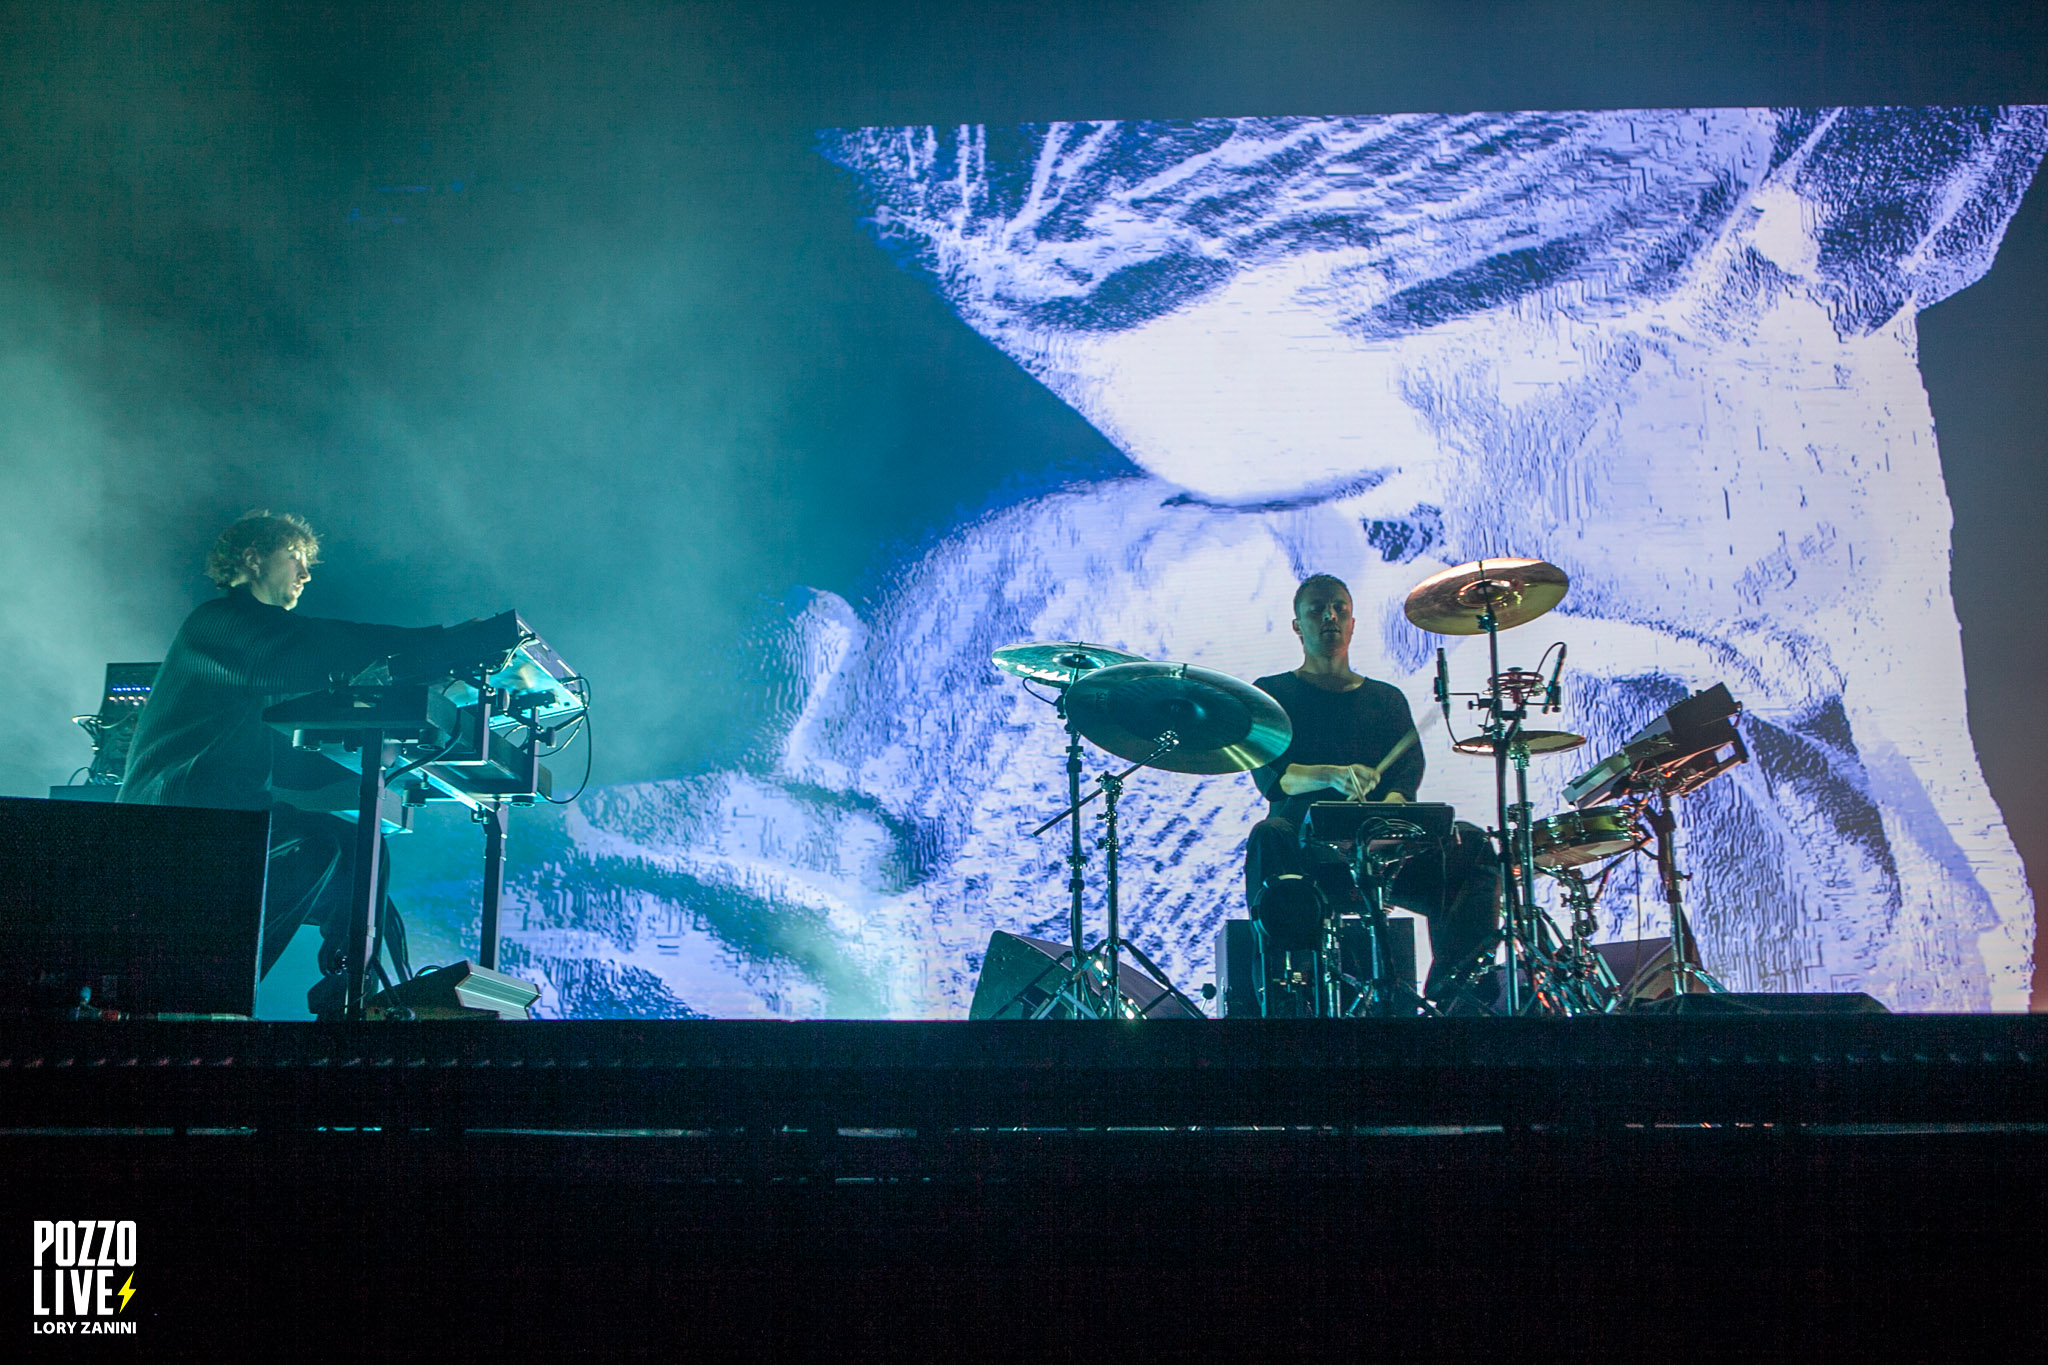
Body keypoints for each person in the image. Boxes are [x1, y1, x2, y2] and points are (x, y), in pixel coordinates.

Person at [121, 510, 503, 1015]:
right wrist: (442, 643)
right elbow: (319, 648)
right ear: (253, 559)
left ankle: (349, 994)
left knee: (360, 852)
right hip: (176, 817)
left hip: (218, 811)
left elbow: (274, 754)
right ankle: (214, 991)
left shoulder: (246, 643)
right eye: (295, 557)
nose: (305, 574)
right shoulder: (218, 623)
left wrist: (369, 788)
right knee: (324, 848)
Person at [1244, 573, 1498, 1005]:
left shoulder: (1387, 699)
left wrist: (1396, 808)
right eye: (1317, 610)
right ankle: (1288, 995)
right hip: (1308, 854)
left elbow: (1405, 777)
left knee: (1472, 848)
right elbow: (1276, 778)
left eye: (1339, 608)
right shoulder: (1271, 694)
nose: (1330, 617)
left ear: (1353, 622)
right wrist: (1331, 774)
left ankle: (1457, 991)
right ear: (1297, 626)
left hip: (1385, 853)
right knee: (1269, 836)